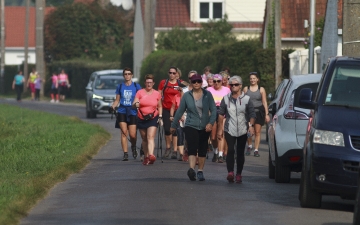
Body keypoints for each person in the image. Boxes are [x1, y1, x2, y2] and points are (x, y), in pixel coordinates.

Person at [170, 74, 217, 181]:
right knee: (192, 147)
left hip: (205, 126)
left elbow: (214, 110)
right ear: (191, 83)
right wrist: (173, 125)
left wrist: (211, 123)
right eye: (194, 81)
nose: (196, 83)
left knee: (202, 149)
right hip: (191, 125)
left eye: (198, 82)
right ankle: (191, 169)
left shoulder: (207, 95)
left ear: (201, 83)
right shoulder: (187, 96)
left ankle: (200, 171)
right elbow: (180, 110)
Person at [217, 76, 256, 183]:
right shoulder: (226, 99)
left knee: (239, 152)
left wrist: (251, 126)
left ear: (240, 86)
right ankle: (230, 172)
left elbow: (252, 114)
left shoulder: (247, 99)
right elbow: (221, 114)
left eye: (236, 84)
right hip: (230, 128)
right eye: (231, 85)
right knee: (230, 150)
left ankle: (239, 173)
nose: (233, 86)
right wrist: (220, 129)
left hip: (243, 129)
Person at [111, 67, 141, 161]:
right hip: (122, 111)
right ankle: (125, 153)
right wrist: (113, 106)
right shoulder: (120, 86)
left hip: (132, 111)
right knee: (124, 133)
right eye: (125, 74)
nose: (127, 75)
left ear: (132, 75)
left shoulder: (136, 86)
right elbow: (117, 100)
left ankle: (133, 146)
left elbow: (140, 98)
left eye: (129, 74)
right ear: (123, 76)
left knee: (132, 135)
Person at [133, 74, 162, 165]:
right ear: (145, 83)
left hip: (153, 117)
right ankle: (146, 157)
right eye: (147, 82)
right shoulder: (140, 92)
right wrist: (136, 104)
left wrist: (160, 116)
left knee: (150, 137)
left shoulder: (157, 93)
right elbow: (134, 103)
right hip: (141, 117)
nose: (149, 84)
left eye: (150, 82)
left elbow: (160, 106)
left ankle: (151, 155)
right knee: (144, 138)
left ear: (153, 83)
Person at [243, 72, 270, 157]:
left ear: (257, 79)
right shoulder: (246, 89)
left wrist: (267, 114)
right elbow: (243, 102)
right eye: (251, 78)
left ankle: (256, 149)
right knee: (249, 131)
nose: (252, 80)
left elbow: (264, 102)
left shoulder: (261, 89)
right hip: (249, 112)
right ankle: (249, 145)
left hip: (259, 112)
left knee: (257, 132)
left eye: (254, 78)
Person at [158, 66, 182, 159]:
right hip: (166, 108)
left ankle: (175, 150)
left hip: (178, 109)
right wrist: (158, 106)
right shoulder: (163, 83)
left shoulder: (180, 82)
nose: (172, 74)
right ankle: (168, 147)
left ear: (177, 74)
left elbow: (190, 87)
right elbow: (158, 94)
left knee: (175, 130)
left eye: (174, 73)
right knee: (167, 129)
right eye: (170, 73)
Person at [206, 74, 231, 163]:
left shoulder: (227, 90)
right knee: (213, 137)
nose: (216, 83)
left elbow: (230, 102)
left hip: (223, 111)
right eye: (214, 81)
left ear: (222, 81)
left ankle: (221, 154)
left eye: (218, 81)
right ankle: (216, 151)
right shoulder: (208, 90)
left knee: (221, 134)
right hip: (212, 112)